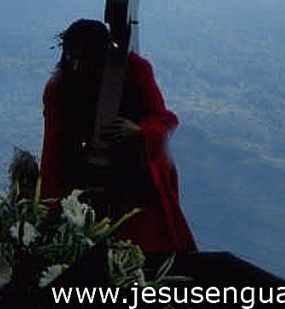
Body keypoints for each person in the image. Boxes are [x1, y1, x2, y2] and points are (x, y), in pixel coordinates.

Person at [40, 19, 196, 253]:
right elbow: (53, 151)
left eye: (83, 59)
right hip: (88, 178)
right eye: (71, 57)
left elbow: (164, 119)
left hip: (137, 177)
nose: (75, 66)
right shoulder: (59, 88)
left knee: (147, 244)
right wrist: (49, 209)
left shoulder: (135, 70)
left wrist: (139, 130)